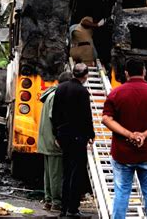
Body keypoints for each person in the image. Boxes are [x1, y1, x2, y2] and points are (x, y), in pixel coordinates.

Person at [102, 58, 147, 219]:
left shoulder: (116, 93)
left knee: (122, 192)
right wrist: (145, 135)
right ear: (144, 71)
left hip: (122, 153)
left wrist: (129, 134)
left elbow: (106, 119)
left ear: (126, 73)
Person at [52, 63, 95, 217]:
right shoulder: (82, 92)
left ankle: (63, 209)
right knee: (77, 173)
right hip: (77, 136)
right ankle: (73, 209)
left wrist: (56, 134)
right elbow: (86, 116)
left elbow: (55, 114)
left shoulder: (61, 88)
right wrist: (91, 135)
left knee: (66, 171)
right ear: (85, 75)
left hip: (63, 135)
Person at [37, 71, 73, 212]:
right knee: (56, 173)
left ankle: (48, 201)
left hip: (46, 140)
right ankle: (57, 202)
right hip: (54, 141)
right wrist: (60, 138)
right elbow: (56, 119)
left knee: (49, 173)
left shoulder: (49, 94)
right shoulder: (57, 96)